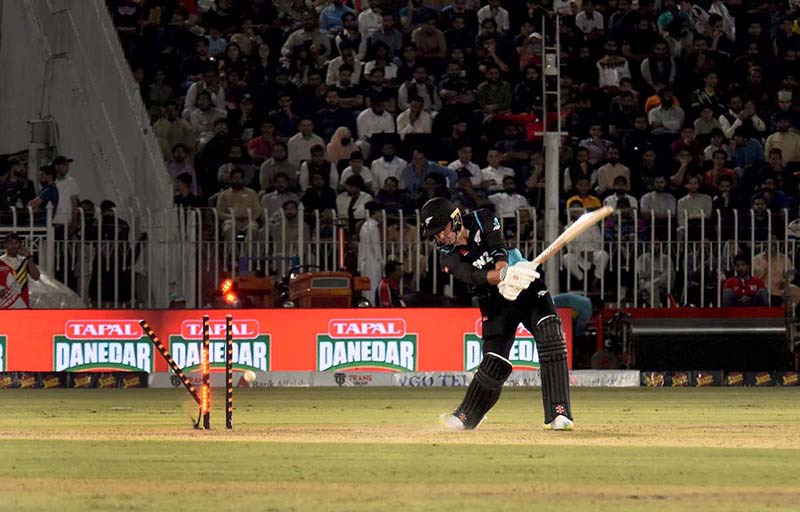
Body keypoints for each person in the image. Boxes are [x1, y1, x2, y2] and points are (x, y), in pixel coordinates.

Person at [420, 197, 573, 431]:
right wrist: (502, 278)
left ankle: (559, 414)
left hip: (526, 286)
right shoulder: (447, 257)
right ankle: (466, 417)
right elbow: (474, 276)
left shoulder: (483, 218)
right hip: (492, 301)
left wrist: (509, 271)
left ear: (455, 218)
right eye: (435, 233)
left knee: (551, 334)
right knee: (495, 362)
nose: (440, 236)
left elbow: (498, 245)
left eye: (442, 229)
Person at [0, 233, 40, 309]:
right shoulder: (0, 261)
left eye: (16, 243)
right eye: (10, 243)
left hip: (22, 305)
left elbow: (36, 277)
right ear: (4, 245)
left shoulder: (24, 261)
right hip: (4, 305)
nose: (13, 245)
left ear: (20, 245)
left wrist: (28, 258)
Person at [358, 202, 385, 303]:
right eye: (380, 212)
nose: (382, 215)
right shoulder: (373, 228)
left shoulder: (364, 226)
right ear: (376, 213)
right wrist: (381, 262)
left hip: (365, 261)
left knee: (366, 287)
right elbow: (376, 247)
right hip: (373, 261)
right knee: (373, 285)